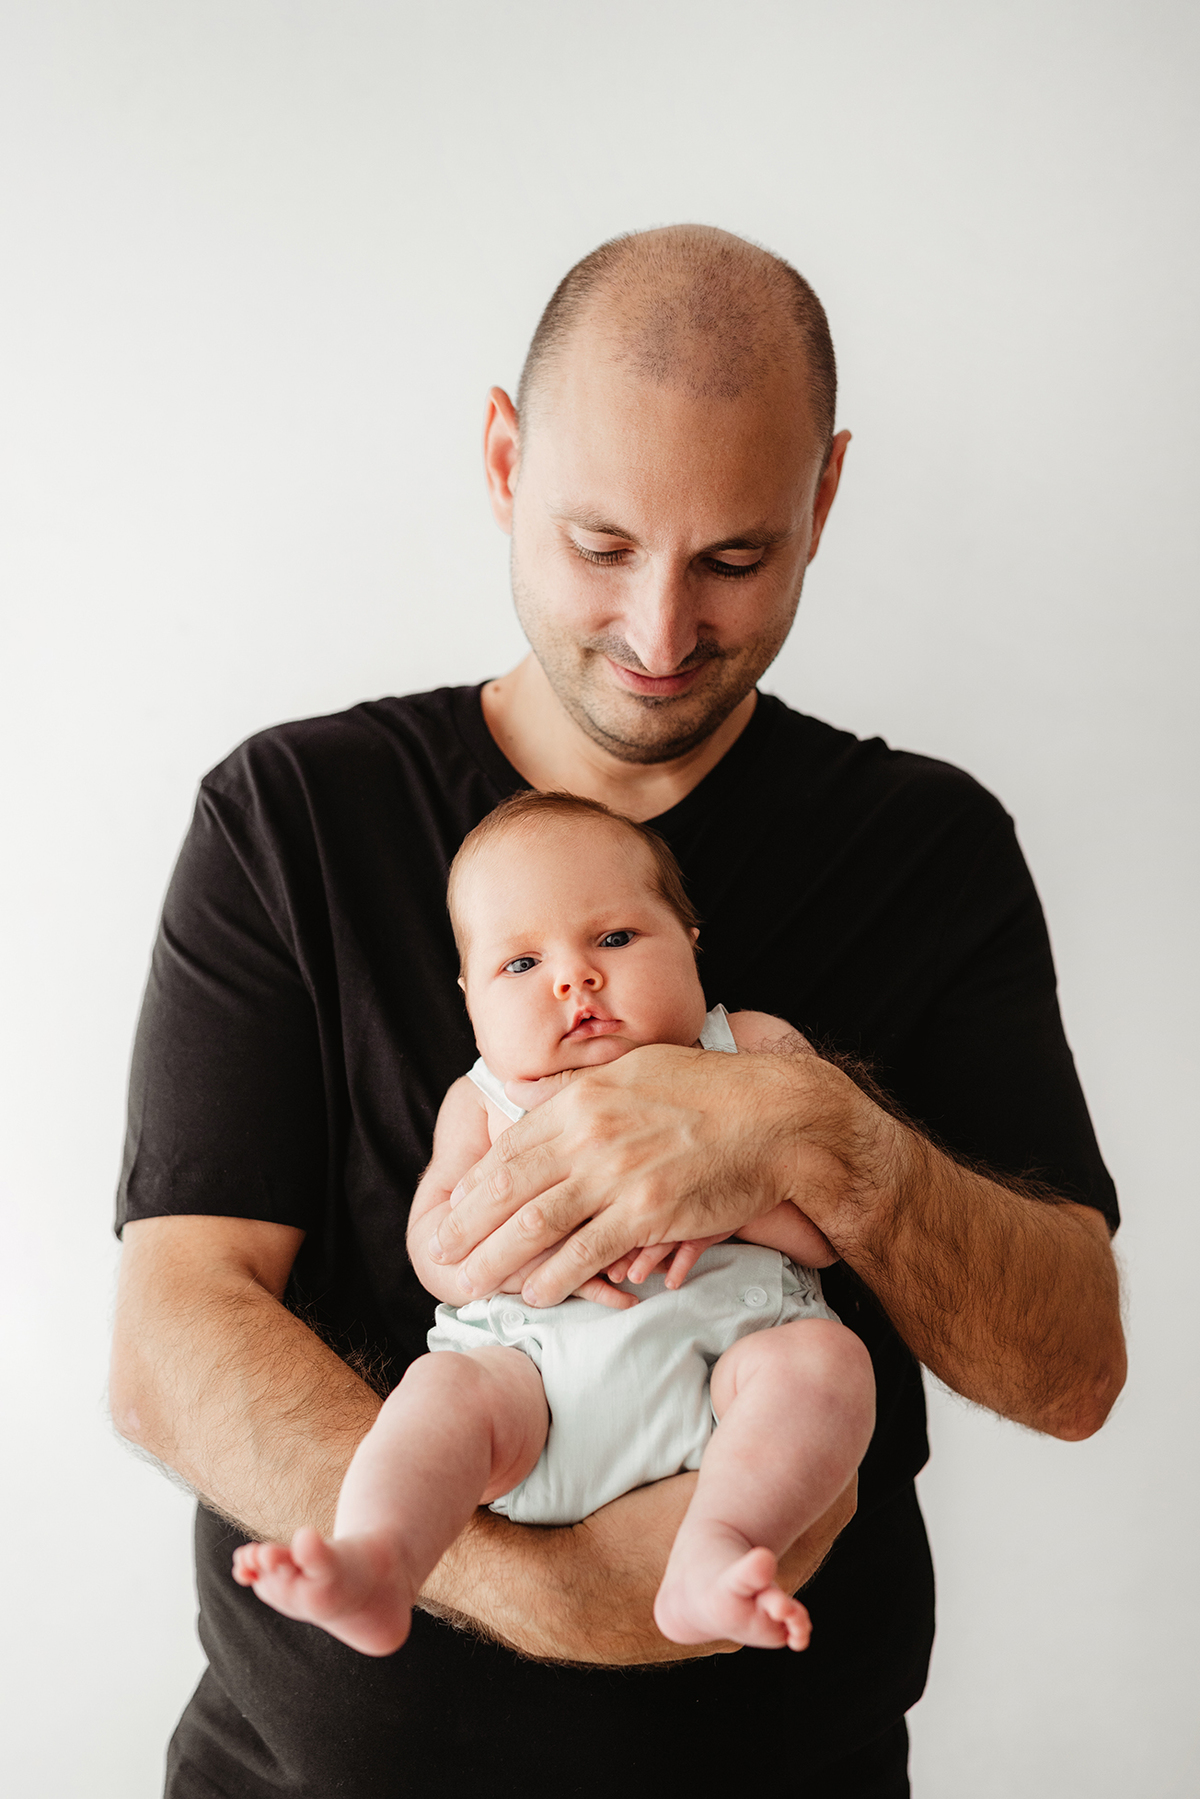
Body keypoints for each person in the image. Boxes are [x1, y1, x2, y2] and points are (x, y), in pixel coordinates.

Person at [110, 224, 1125, 1798]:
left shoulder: (930, 850)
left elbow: (1073, 1368)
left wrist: (818, 1137)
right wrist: (563, 1589)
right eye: (601, 545)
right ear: (504, 461)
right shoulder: (294, 815)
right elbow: (168, 1339)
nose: (660, 633)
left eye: (735, 559)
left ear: (824, 500)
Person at [230, 791, 877, 1657]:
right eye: (522, 963)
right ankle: (381, 1558)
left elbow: (834, 1227)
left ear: (689, 941)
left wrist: (739, 1197)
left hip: (734, 1388)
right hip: (533, 1391)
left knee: (827, 1365)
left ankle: (716, 1551)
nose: (575, 979)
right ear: (469, 997)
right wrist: (502, 1255)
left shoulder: (751, 1047)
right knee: (444, 1391)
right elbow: (436, 1245)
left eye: (614, 937)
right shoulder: (484, 1100)